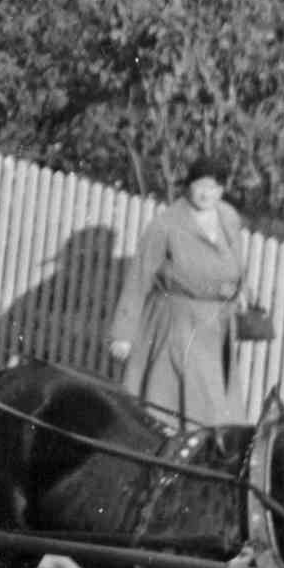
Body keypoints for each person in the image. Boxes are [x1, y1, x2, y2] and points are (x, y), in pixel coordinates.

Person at [108, 152, 249, 424]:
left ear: (221, 189)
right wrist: (122, 333)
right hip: (178, 324)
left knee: (213, 400)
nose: (207, 193)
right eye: (200, 185)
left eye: (214, 187)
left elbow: (236, 263)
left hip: (216, 327)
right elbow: (139, 277)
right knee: (187, 405)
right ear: (189, 185)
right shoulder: (167, 224)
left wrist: (239, 290)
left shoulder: (228, 218)